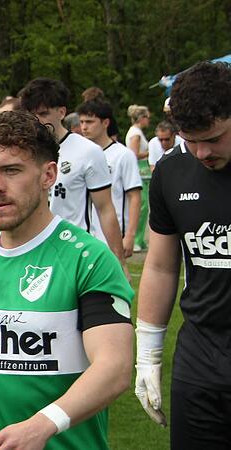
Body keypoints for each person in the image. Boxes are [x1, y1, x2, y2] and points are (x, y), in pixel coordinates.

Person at [0, 110, 134, 450]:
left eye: (11, 170)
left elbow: (114, 368)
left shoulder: (88, 259)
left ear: (48, 175)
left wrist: (43, 425)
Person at [135, 61, 231, 449]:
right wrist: (148, 355)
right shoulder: (172, 172)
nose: (202, 152)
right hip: (201, 356)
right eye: (191, 140)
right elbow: (159, 266)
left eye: (214, 138)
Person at [18, 78, 127, 269]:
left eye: (43, 114)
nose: (37, 121)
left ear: (62, 112)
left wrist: (120, 262)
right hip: (30, 251)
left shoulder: (88, 152)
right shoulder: (21, 152)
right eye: (31, 114)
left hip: (73, 253)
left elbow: (105, 208)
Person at [77, 100, 143, 257]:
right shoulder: (79, 155)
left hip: (112, 236)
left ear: (105, 122)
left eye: (90, 122)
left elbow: (134, 197)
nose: (84, 127)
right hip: (83, 237)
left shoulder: (123, 155)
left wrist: (130, 235)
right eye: (81, 122)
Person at [125, 104, 151, 252]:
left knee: (143, 206)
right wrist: (150, 152)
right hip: (140, 170)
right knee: (142, 206)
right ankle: (136, 240)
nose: (148, 121)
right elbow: (134, 154)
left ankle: (140, 240)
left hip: (143, 171)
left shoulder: (136, 132)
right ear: (141, 118)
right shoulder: (136, 133)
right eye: (147, 117)